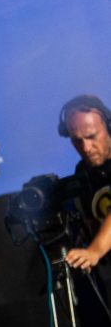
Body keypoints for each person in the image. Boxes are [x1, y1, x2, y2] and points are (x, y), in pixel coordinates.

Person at [60, 94, 111, 271]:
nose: (86, 148)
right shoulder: (83, 171)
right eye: (77, 141)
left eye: (91, 136)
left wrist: (94, 251)